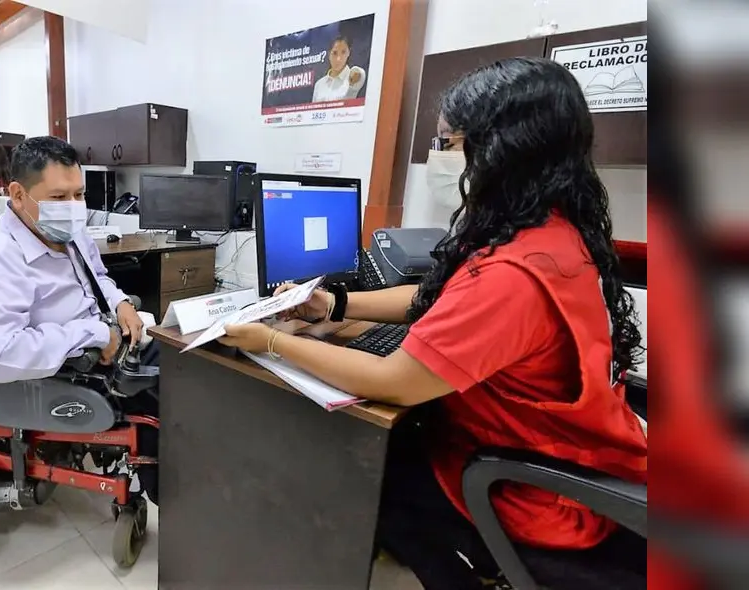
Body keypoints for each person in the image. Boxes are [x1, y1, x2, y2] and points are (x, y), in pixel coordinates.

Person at [223, 57, 648, 590]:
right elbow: (434, 298)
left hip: (530, 492)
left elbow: (393, 382)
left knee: (359, 465)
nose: (439, 159)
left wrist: (270, 341)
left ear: (499, 149)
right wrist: (334, 306)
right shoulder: (549, 233)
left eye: (447, 143)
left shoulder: (517, 272)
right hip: (575, 457)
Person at [0, 135, 157, 502]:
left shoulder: (67, 232)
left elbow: (98, 278)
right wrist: (95, 334)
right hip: (63, 368)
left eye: (79, 195)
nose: (73, 207)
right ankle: (169, 494)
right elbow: (4, 355)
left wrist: (121, 303)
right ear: (17, 194)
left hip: (104, 342)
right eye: (59, 197)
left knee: (193, 365)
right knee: (167, 404)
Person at [311, 36, 367, 103]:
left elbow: (360, 73)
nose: (338, 59)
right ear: (329, 54)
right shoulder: (319, 85)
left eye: (343, 52)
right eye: (334, 53)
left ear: (349, 52)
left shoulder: (355, 77)